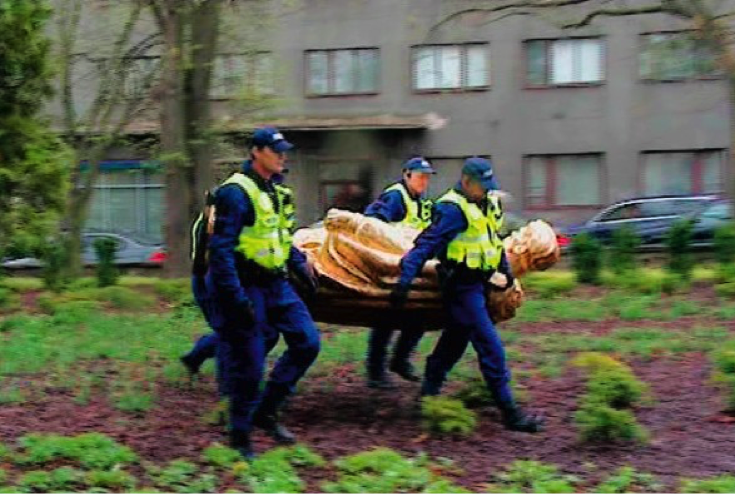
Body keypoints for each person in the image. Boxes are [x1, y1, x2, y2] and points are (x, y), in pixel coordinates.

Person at [391, 157, 544, 433]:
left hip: (480, 284)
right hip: (460, 287)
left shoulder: (487, 204)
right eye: (481, 186)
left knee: (454, 343)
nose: (485, 190)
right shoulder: (452, 209)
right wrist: (405, 279)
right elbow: (426, 243)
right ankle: (511, 413)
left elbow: (493, 243)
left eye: (488, 185)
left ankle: (427, 395)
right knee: (491, 347)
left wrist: (506, 274)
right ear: (466, 182)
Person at [206, 127, 320, 459]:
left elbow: (280, 239)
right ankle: (239, 436)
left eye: (284, 151)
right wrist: (236, 298)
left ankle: (266, 411)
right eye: (276, 151)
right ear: (256, 152)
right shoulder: (235, 193)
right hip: (246, 285)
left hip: (276, 283)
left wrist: (300, 264)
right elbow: (221, 252)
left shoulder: (276, 189)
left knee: (308, 342)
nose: (283, 156)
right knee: (251, 364)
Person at [363, 157, 435, 388]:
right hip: (391, 265)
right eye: (420, 176)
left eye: (427, 177)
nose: (424, 181)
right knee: (386, 317)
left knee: (419, 314)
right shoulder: (396, 196)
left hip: (410, 266)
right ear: (407, 175)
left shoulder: (421, 202)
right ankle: (375, 372)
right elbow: (372, 222)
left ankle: (399, 361)